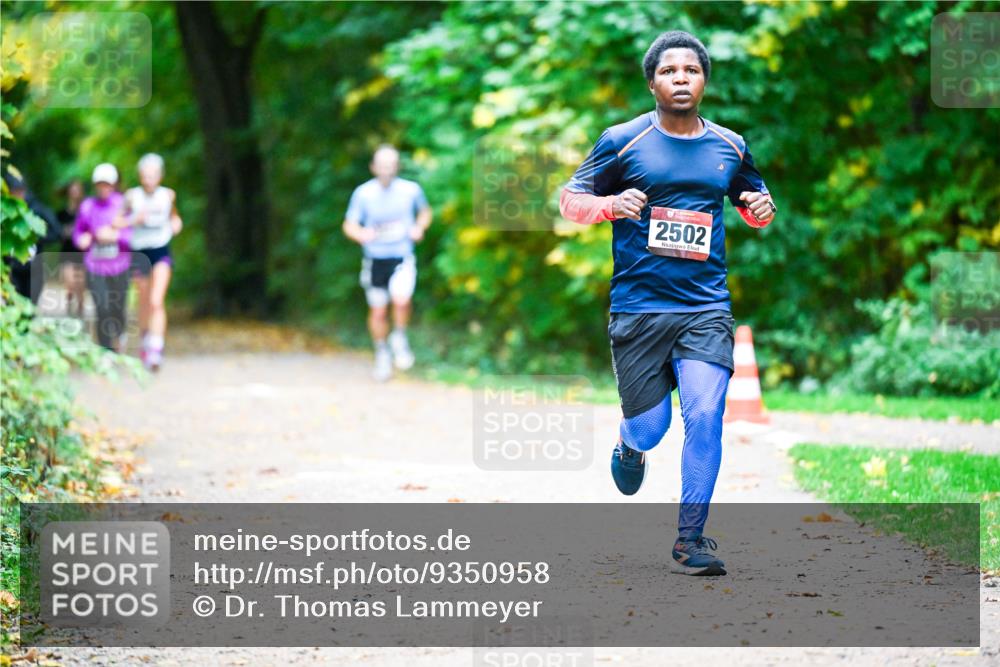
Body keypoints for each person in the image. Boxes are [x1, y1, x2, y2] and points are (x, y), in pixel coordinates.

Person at [559, 31, 777, 576]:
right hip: (638, 308)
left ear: (704, 80)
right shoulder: (622, 141)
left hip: (705, 306)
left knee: (705, 415)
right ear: (652, 81)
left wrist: (759, 208)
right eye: (669, 71)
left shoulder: (729, 145)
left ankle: (691, 539)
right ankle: (630, 443)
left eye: (692, 70)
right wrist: (610, 204)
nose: (681, 78)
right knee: (653, 428)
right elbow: (570, 201)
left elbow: (753, 203)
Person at [343, 145, 432, 381]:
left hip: (402, 256)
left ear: (397, 167)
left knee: (402, 300)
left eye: (391, 164)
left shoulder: (411, 190)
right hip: (374, 260)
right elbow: (349, 225)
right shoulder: (363, 194)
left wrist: (419, 227)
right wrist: (360, 234)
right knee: (379, 311)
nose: (386, 169)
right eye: (382, 165)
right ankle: (382, 352)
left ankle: (399, 336)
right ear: (373, 167)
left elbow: (425, 212)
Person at [116, 153, 183, 371]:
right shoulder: (131, 196)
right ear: (140, 176)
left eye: (153, 175)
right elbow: (117, 220)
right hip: (139, 251)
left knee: (156, 299)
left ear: (160, 176)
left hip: (161, 249)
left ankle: (156, 346)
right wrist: (132, 220)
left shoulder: (168, 196)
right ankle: (145, 341)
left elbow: (174, 217)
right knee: (144, 300)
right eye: (145, 175)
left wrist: (175, 224)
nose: (148, 179)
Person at [73, 163, 132, 352]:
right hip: (94, 266)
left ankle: (120, 332)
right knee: (102, 307)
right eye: (100, 184)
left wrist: (116, 236)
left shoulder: (122, 204)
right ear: (95, 185)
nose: (104, 188)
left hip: (120, 265)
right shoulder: (87, 206)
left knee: (117, 307)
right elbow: (78, 231)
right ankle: (105, 350)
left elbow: (132, 233)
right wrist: (82, 239)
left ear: (114, 184)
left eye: (107, 184)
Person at [3, 169, 61, 304]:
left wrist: (33, 236)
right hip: (12, 269)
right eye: (14, 191)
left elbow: (56, 232)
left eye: (20, 190)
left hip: (34, 268)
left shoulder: (36, 209)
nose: (18, 195)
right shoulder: (5, 210)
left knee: (31, 307)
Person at [57, 178, 86, 317]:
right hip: (67, 252)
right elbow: (56, 232)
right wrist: (65, 232)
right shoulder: (61, 214)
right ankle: (69, 312)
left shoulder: (86, 212)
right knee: (69, 285)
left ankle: (80, 314)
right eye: (72, 189)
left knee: (80, 287)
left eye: (77, 189)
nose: (75, 192)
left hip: (82, 254)